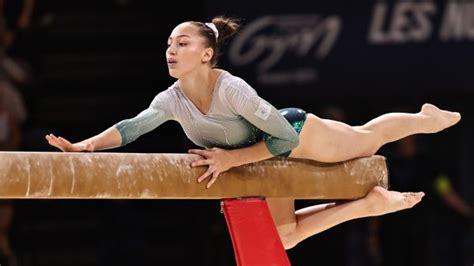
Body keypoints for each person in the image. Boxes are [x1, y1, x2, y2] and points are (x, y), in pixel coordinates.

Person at [45, 16, 461, 250]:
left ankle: (425, 119)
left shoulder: (232, 89)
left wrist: (230, 159)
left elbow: (285, 139)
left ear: (207, 54)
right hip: (261, 160)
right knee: (282, 237)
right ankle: (368, 205)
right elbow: (132, 128)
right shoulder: (171, 99)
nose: (171, 50)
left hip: (291, 132)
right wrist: (87, 146)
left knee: (365, 138)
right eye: (170, 42)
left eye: (183, 43)